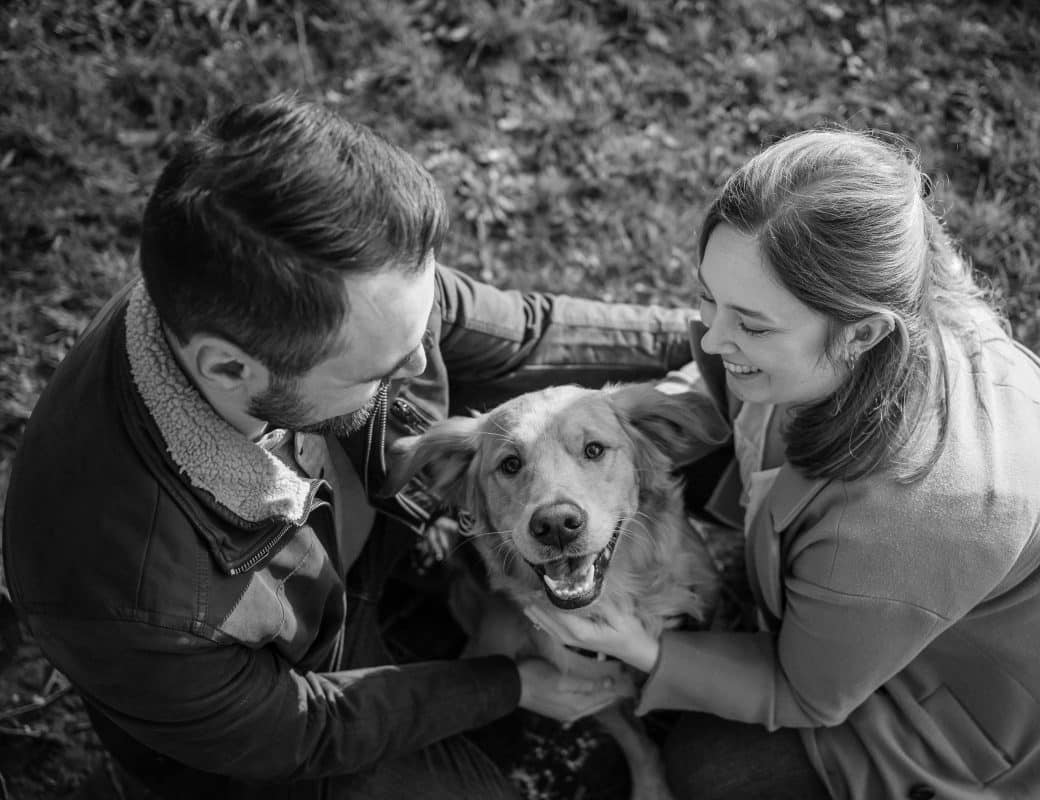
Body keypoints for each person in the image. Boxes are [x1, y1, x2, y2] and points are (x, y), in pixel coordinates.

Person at [1, 95, 696, 800]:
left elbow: (515, 330)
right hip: (291, 715)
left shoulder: (314, 279)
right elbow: (303, 731)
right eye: (382, 369)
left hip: (355, 557)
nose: (424, 370)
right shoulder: (134, 598)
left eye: (419, 325)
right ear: (231, 370)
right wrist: (512, 684)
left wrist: (720, 343)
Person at [525, 129, 1040, 800]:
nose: (711, 335)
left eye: (753, 325)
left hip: (958, 713)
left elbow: (808, 696)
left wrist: (643, 649)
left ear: (863, 333)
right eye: (707, 295)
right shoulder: (879, 312)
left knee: (707, 768)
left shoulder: (906, 519)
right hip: (943, 588)